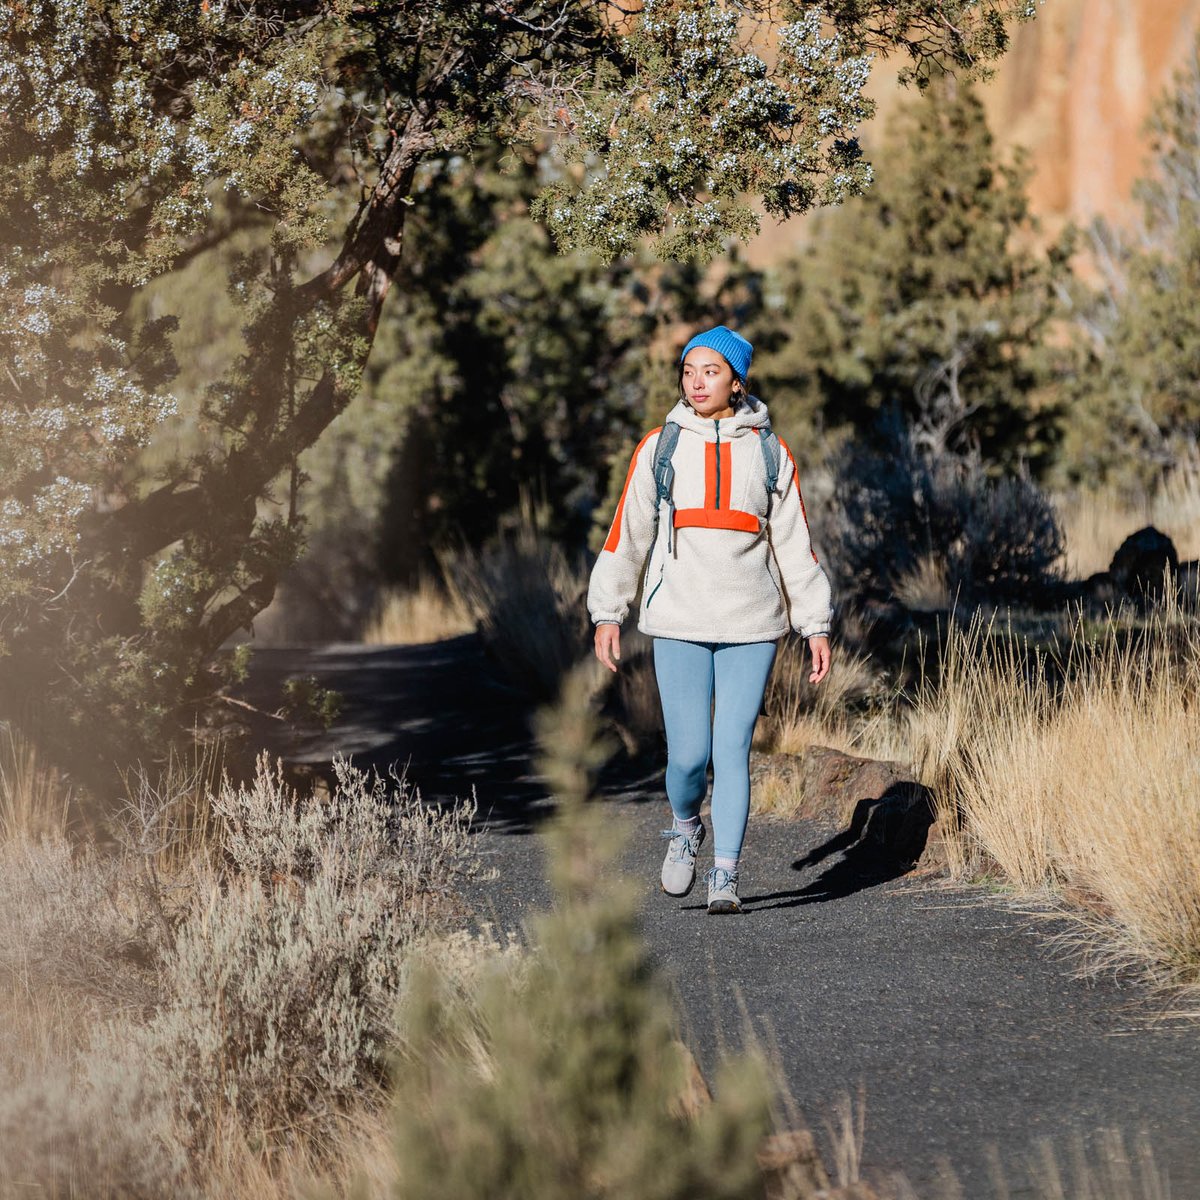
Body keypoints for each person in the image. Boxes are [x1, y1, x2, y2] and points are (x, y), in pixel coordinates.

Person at [588, 325, 832, 914]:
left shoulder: (771, 453)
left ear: (737, 381)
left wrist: (815, 623)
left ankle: (726, 874)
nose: (697, 382)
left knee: (732, 750)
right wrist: (608, 611)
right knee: (689, 755)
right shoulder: (661, 448)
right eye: (689, 371)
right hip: (678, 621)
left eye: (711, 372)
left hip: (752, 625)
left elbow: (797, 545)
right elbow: (628, 535)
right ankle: (684, 826)